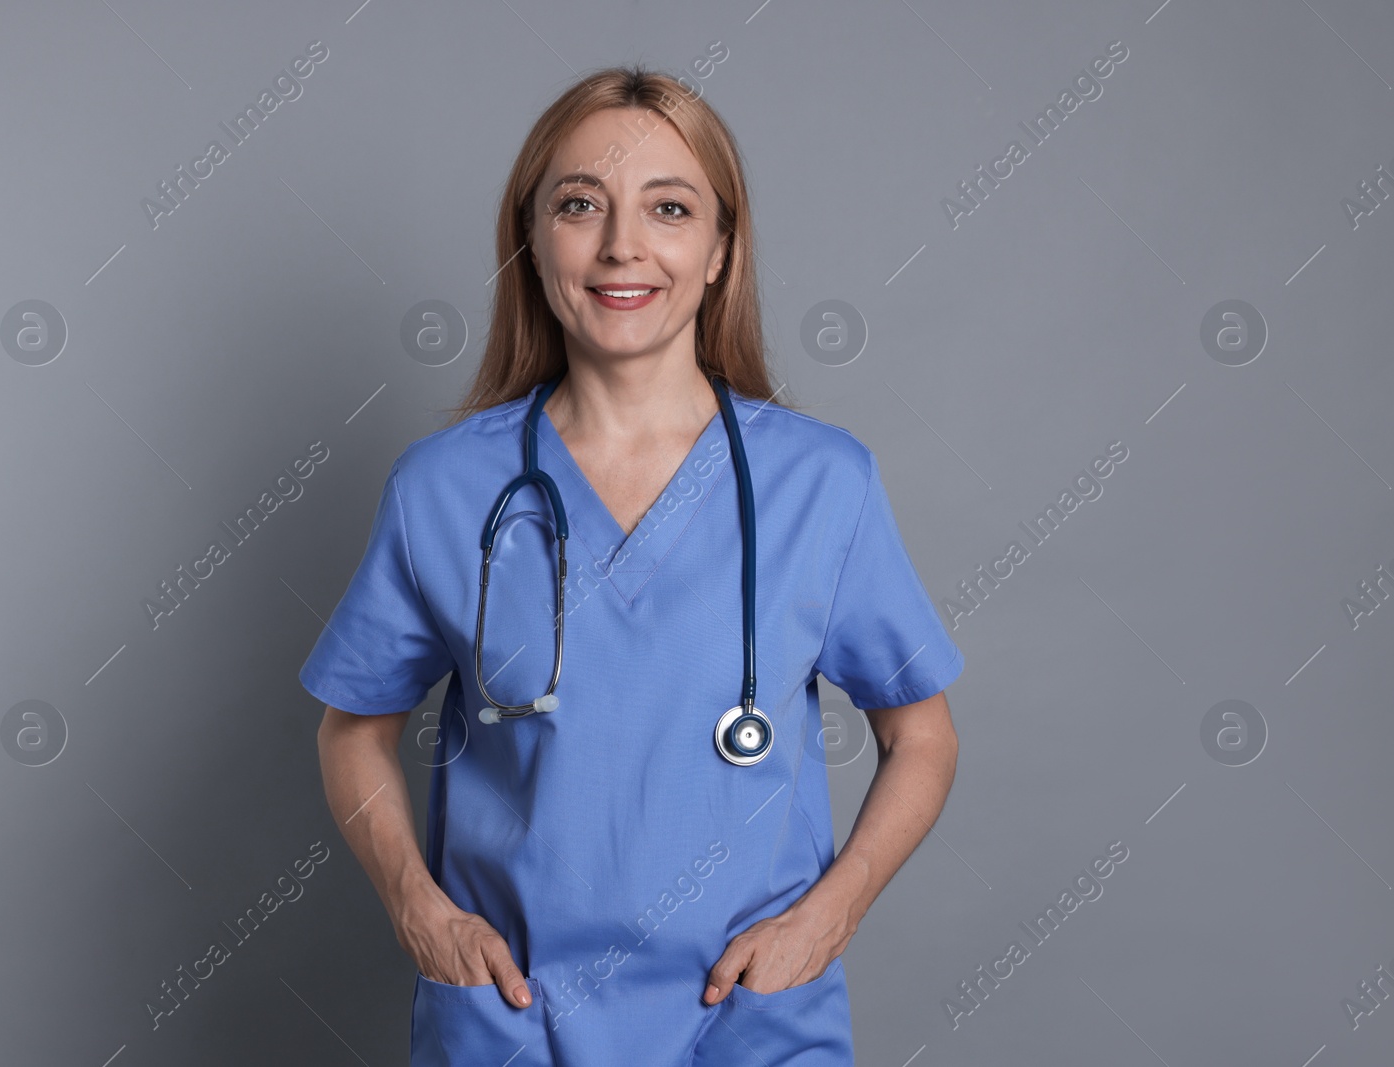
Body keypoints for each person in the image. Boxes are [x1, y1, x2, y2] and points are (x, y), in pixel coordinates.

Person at [301, 64, 964, 1066]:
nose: (622, 245)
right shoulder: (443, 487)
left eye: (668, 207)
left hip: (752, 1014)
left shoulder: (820, 480)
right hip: (512, 1014)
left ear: (717, 249)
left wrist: (828, 917)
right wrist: (418, 908)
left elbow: (922, 735)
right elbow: (352, 726)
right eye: (580, 206)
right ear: (533, 242)